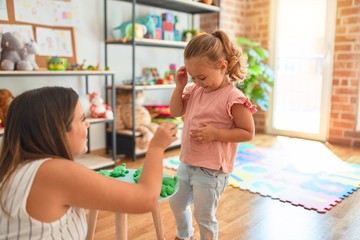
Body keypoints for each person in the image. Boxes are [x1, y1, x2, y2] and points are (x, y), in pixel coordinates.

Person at [0, 86, 177, 239]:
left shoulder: (15, 167)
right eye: (82, 119)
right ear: (58, 129)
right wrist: (156, 147)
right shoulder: (53, 172)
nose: (88, 124)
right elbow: (145, 199)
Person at [169, 30, 257, 240]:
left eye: (202, 77)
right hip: (187, 163)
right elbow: (175, 112)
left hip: (211, 172)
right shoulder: (194, 90)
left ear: (222, 66)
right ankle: (184, 235)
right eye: (193, 77)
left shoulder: (233, 97)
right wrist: (179, 86)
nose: (198, 82)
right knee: (176, 202)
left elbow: (248, 132)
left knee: (204, 216)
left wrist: (215, 133)